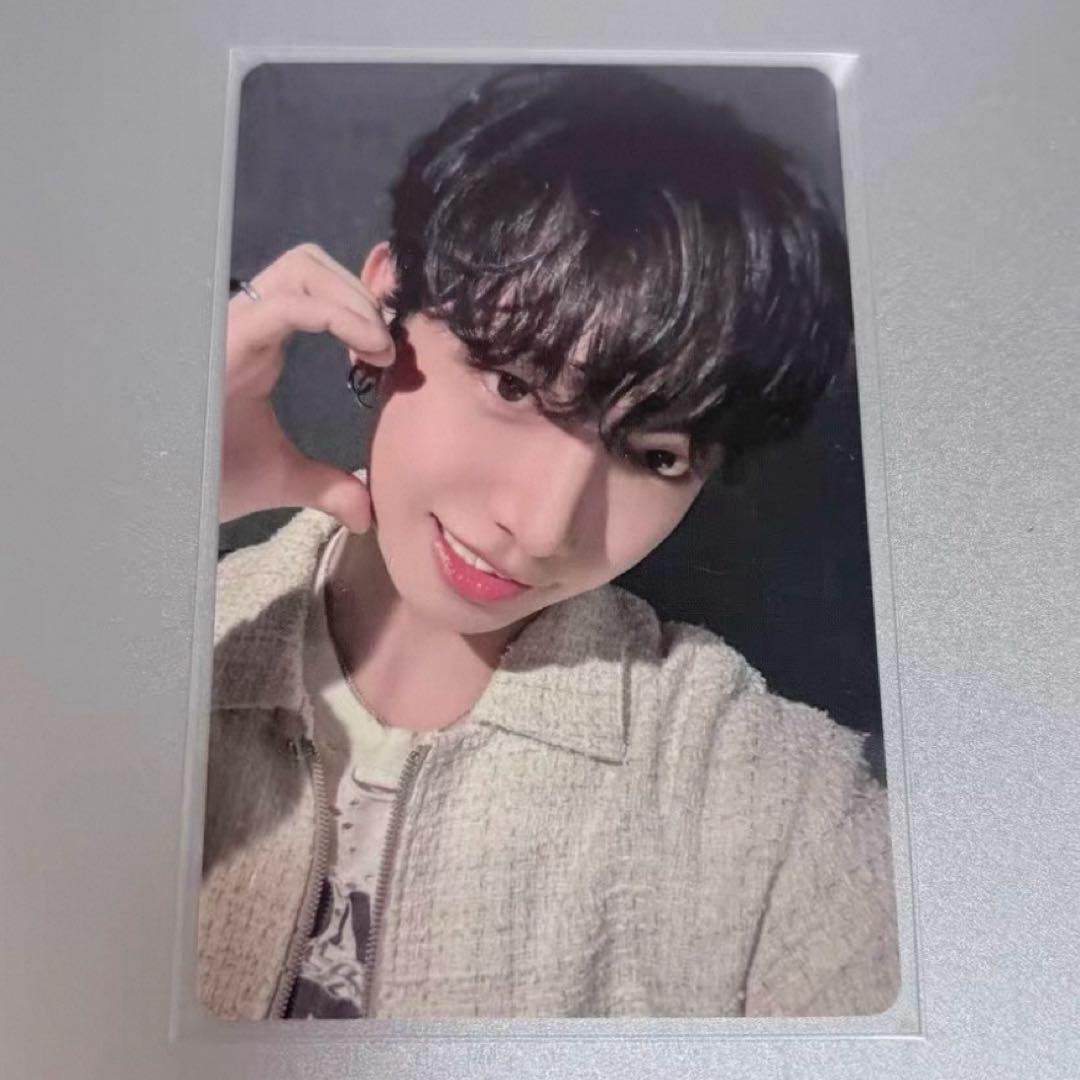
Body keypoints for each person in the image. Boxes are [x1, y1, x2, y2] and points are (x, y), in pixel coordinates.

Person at [200, 66, 899, 1021]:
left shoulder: (758, 802)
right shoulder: (161, 649)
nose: (540, 527)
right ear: (384, 303)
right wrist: (136, 516)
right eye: (515, 386)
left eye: (653, 457)